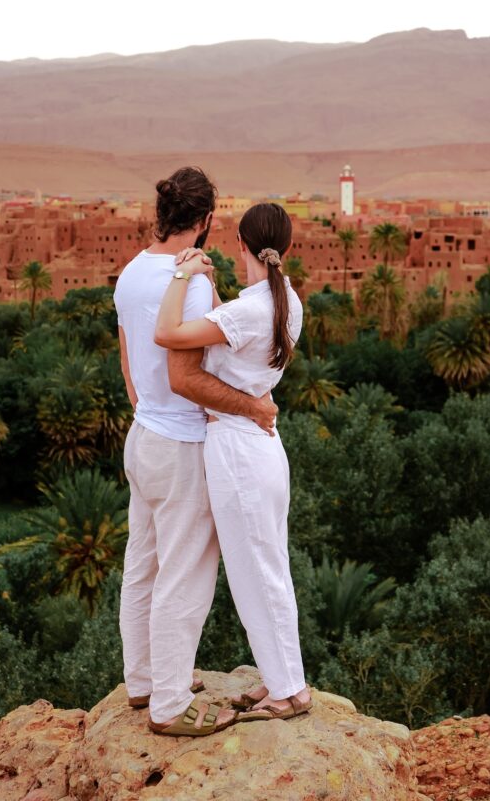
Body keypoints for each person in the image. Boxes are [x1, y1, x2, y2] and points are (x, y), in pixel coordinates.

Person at [114, 167, 278, 738]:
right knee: (184, 574)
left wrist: (146, 409)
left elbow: (130, 362)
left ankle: (143, 683)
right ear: (207, 220)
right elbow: (186, 378)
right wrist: (251, 407)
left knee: (144, 565)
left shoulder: (133, 271)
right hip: (181, 445)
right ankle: (169, 704)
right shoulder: (195, 283)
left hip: (143, 438)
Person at [155, 201, 312, 721]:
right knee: (266, 569)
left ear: (240, 244)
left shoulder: (249, 311)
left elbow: (168, 335)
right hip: (261, 447)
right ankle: (280, 680)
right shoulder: (286, 301)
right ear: (284, 248)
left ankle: (289, 691)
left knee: (256, 573)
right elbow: (238, 334)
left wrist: (182, 275)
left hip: (240, 450)